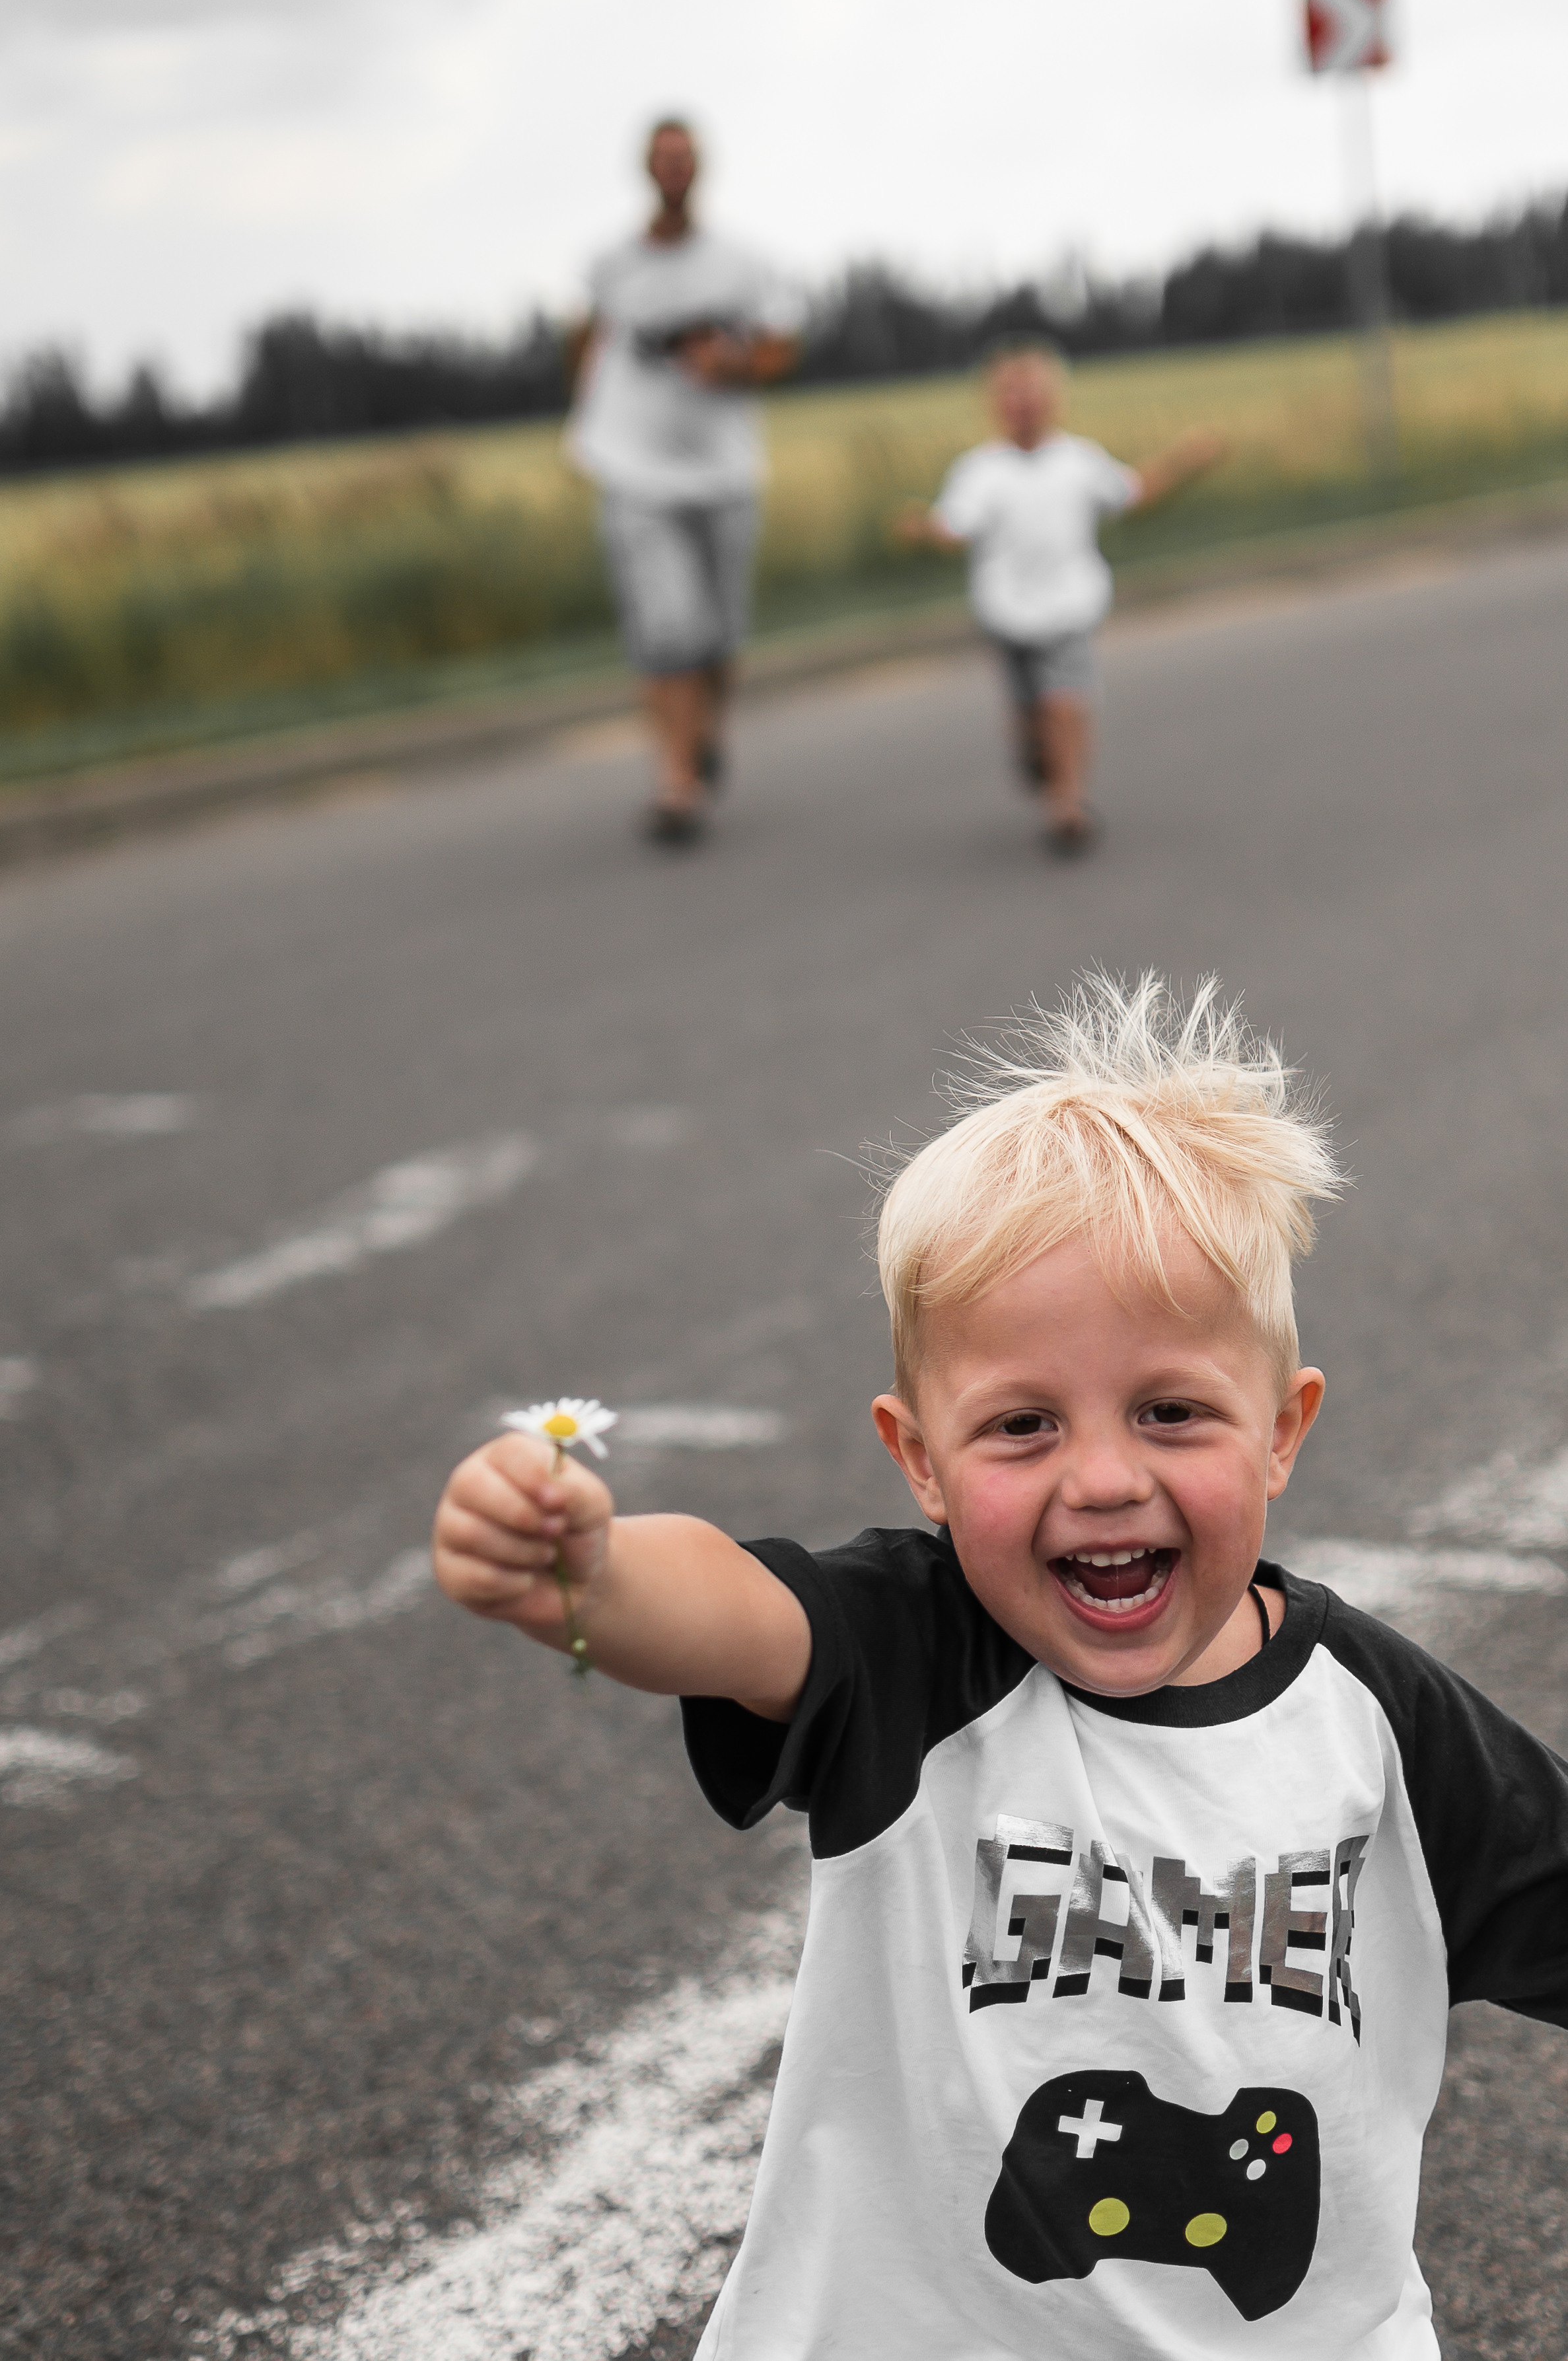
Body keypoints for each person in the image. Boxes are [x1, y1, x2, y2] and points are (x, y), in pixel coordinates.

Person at [432, 970, 1568, 2359]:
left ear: (1281, 1427)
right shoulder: (912, 1648)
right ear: (917, 1456)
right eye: (1023, 1424)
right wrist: (592, 1573)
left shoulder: (1376, 1725)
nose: (1101, 1476)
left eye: (1170, 1410)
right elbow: (730, 1603)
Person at [566, 118, 802, 846]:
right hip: (636, 473)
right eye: (662, 158)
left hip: (722, 470)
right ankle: (676, 784)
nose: (673, 168)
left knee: (719, 637)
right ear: (645, 168)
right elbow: (586, 340)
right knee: (666, 630)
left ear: (700, 169)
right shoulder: (610, 263)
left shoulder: (741, 263)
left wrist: (728, 366)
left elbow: (780, 350)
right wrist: (591, 424)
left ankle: (704, 735)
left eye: (685, 158)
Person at [900, 346, 1223, 857]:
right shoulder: (979, 471)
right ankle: (1036, 753)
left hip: (1070, 605)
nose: (1023, 404)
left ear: (1054, 401)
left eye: (1033, 393)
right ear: (993, 405)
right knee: (1031, 709)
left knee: (1067, 701)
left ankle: (1067, 804)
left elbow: (1132, 494)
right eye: (1010, 394)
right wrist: (923, 531)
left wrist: (1185, 462)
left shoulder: (1079, 461)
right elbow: (953, 528)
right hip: (1007, 613)